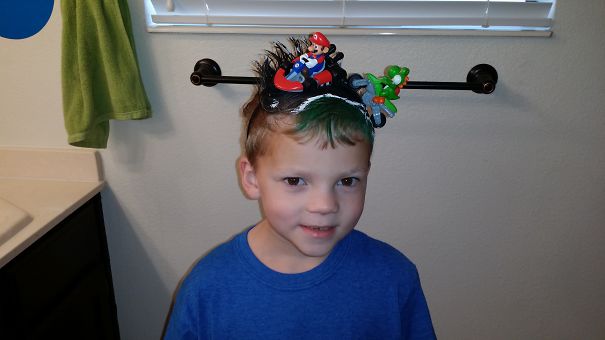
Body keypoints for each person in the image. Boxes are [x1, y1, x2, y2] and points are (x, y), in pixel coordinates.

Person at [164, 35, 436, 340]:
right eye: (295, 181)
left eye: (347, 181)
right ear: (251, 178)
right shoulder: (208, 288)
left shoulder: (394, 279)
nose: (324, 205)